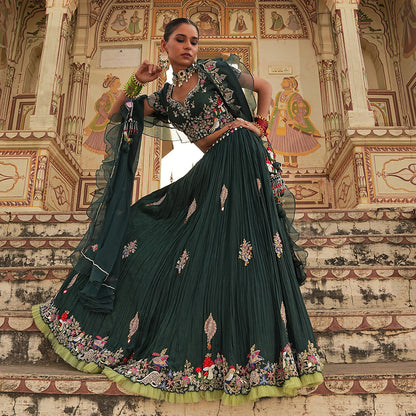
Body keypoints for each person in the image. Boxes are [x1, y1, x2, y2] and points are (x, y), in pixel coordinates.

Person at [32, 18, 323, 404]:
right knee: (144, 219)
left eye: (194, 41)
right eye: (180, 40)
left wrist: (260, 126)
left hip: (242, 156)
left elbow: (266, 87)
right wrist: (137, 79)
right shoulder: (167, 98)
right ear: (165, 45)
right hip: (214, 163)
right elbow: (121, 113)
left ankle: (261, 359)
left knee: (249, 249)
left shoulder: (217, 68)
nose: (189, 47)